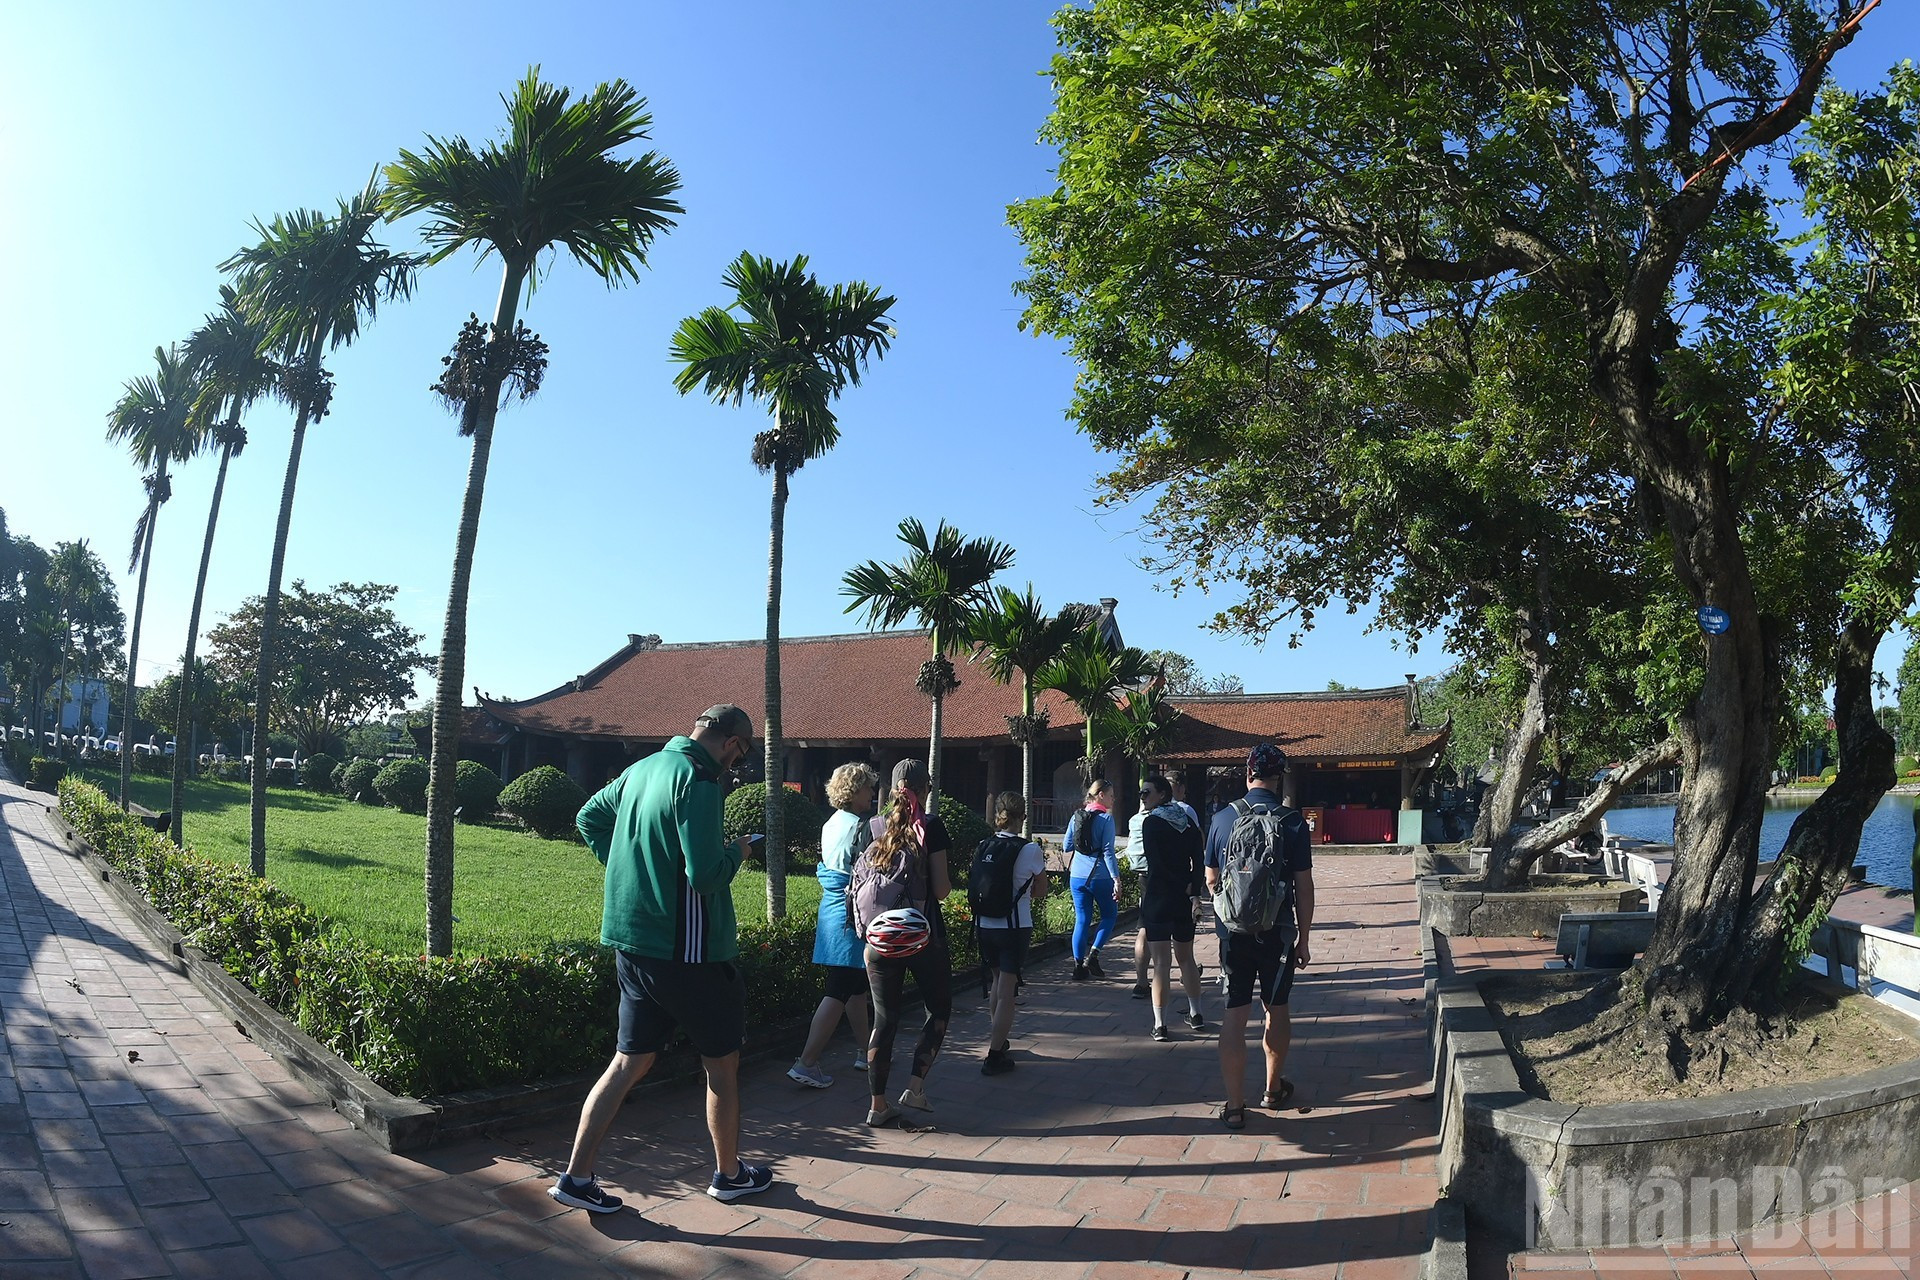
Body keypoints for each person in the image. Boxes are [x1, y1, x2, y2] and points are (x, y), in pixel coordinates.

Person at [550, 705, 770, 1213]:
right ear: (733, 744)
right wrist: (741, 850)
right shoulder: (700, 780)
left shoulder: (643, 768)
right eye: (741, 752)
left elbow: (589, 817)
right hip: (688, 951)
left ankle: (576, 1178)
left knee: (629, 1060)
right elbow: (707, 875)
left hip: (634, 941)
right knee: (722, 1064)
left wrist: (627, 867)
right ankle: (730, 1175)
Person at [1206, 743, 1315, 1131]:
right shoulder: (1293, 822)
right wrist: (1303, 939)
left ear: (1246, 772)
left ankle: (1235, 1106)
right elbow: (1304, 886)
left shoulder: (1221, 819)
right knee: (1276, 1008)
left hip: (1233, 934)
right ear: (1278, 776)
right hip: (1279, 934)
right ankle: (1271, 1089)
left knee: (1235, 1016)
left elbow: (1212, 880)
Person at [857, 760, 953, 1127]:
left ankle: (877, 1105)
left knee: (884, 1020)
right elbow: (941, 890)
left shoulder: (872, 827)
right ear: (924, 789)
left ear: (892, 787)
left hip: (878, 938)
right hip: (922, 934)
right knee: (939, 1008)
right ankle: (914, 1087)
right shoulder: (932, 827)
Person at [788, 762, 879, 1089]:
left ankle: (864, 1050)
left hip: (832, 908)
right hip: (854, 912)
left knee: (854, 987)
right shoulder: (866, 826)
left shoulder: (830, 823)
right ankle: (807, 1061)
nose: (872, 793)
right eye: (868, 787)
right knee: (840, 988)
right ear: (855, 792)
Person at [972, 791, 1049, 1075]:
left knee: (996, 984)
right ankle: (994, 1055)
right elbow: (1040, 891)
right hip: (1014, 927)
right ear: (1022, 817)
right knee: (1007, 991)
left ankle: (999, 1041)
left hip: (984, 925)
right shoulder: (1029, 850)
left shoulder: (983, 844)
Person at [1138, 774, 1207, 1041]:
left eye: (1147, 793)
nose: (1143, 797)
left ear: (1162, 795)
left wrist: (1174, 884)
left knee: (1161, 965)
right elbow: (1198, 860)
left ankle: (1160, 1024)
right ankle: (1196, 1013)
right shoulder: (1187, 822)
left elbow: (1155, 863)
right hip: (1182, 898)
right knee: (1186, 957)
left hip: (1158, 896)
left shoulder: (1151, 823)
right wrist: (1193, 888)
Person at [1063, 778, 1119, 980]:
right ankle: (1093, 955)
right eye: (1111, 795)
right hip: (1100, 875)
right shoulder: (1106, 820)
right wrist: (1117, 879)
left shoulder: (1076, 816)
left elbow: (1066, 846)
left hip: (1077, 875)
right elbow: (1108, 852)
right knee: (1110, 915)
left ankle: (1078, 966)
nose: (1114, 799)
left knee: (1082, 919)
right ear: (1101, 795)